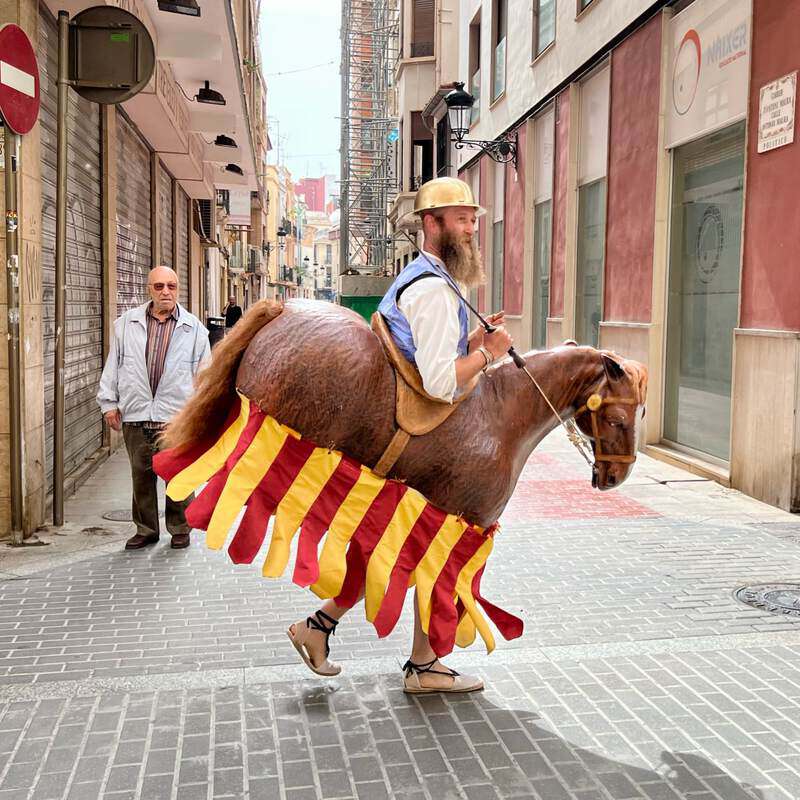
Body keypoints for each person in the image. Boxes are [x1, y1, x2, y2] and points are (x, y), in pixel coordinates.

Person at [287, 178, 513, 694]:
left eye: (473, 219)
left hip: (409, 435)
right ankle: (423, 664)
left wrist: (472, 341)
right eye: (460, 219)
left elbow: (426, 357)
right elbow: (437, 382)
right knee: (437, 544)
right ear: (430, 225)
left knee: (392, 549)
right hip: (421, 442)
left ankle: (319, 629)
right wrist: (489, 354)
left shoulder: (428, 279)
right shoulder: (432, 288)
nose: (472, 228)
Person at [97, 267, 210, 551]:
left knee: (178, 474)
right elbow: (114, 364)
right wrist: (108, 403)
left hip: (175, 417)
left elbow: (204, 375)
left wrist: (201, 415)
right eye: (159, 286)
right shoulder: (126, 323)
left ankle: (180, 528)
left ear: (178, 289)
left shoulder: (194, 328)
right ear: (149, 289)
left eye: (171, 286)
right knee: (140, 476)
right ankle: (146, 529)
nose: (165, 292)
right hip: (136, 413)